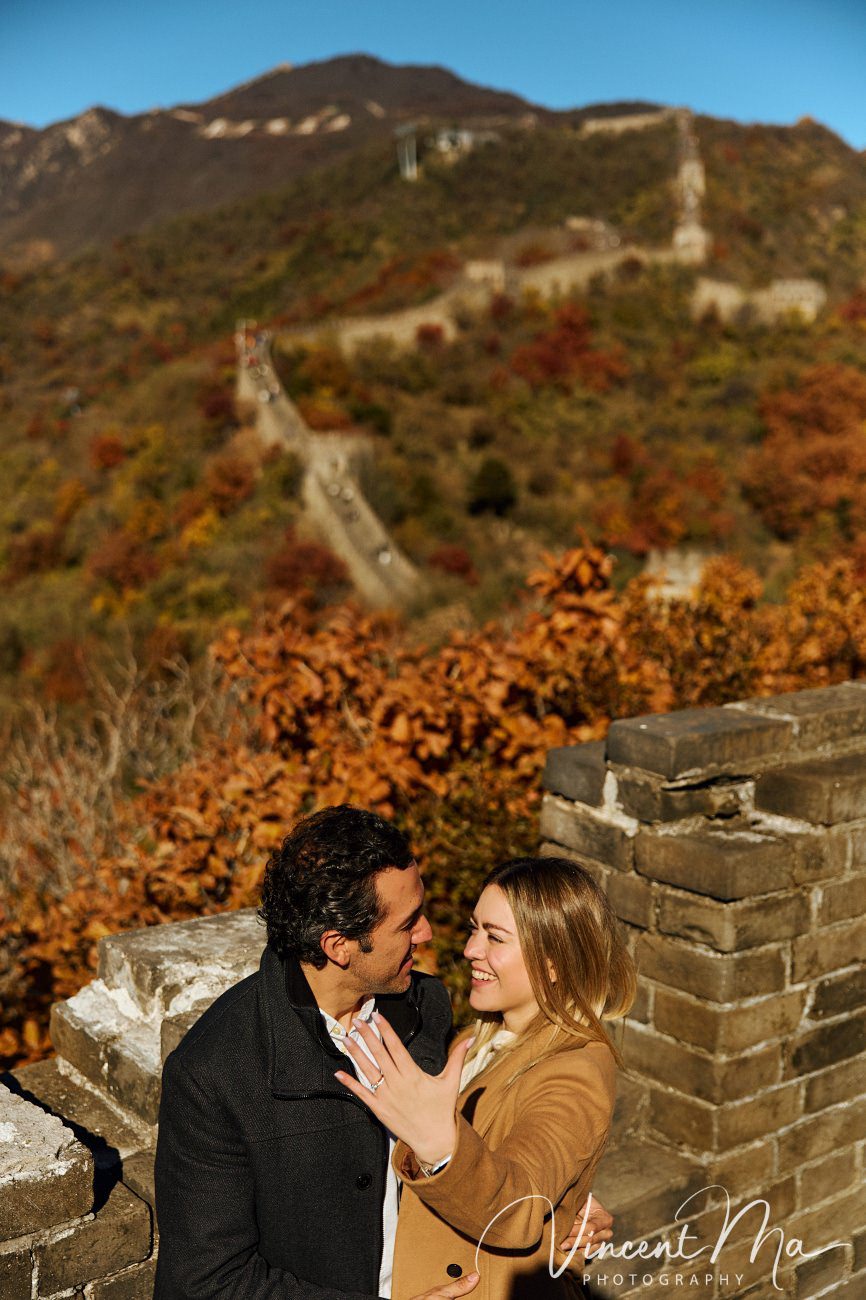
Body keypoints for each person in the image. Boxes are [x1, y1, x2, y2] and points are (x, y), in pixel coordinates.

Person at [153, 808, 612, 1299]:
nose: (430, 934)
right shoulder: (214, 1072)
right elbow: (206, 1284)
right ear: (339, 946)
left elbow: (492, 1138)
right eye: (408, 923)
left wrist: (558, 1201)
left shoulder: (424, 1005)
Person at [336, 855, 636, 1299]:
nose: (471, 949)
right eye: (475, 928)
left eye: (495, 937)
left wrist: (441, 1149)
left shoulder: (577, 1067)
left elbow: (520, 1206)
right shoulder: (479, 1039)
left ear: (553, 963)